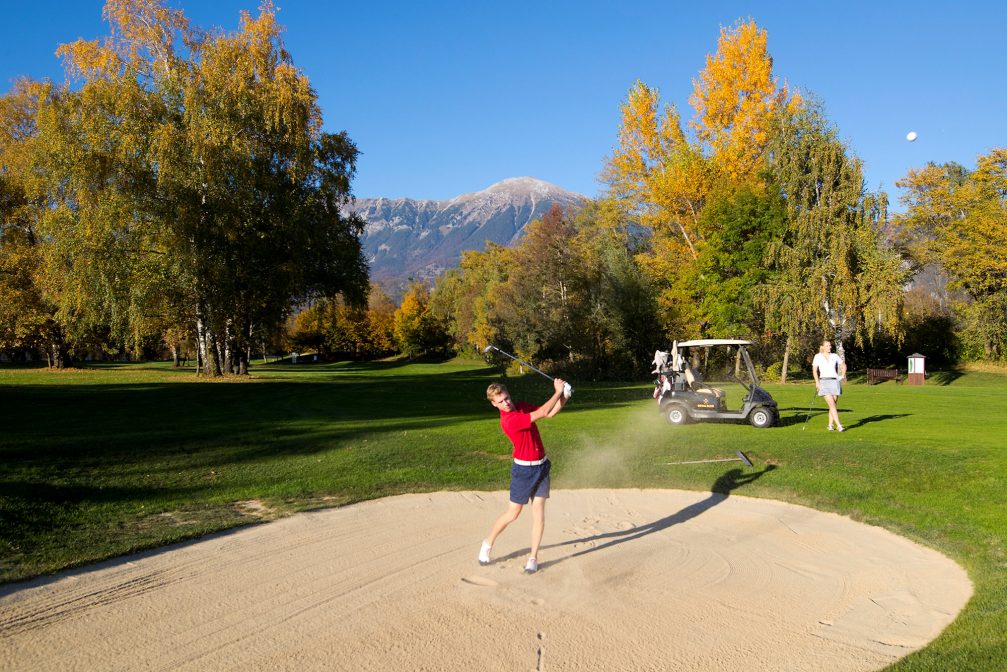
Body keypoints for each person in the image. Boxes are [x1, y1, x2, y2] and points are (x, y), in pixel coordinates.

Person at [479, 377, 568, 573]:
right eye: (501, 401)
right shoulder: (509, 420)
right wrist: (557, 392)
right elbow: (544, 411)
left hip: (542, 467)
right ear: (494, 404)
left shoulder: (521, 408)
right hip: (523, 471)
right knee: (513, 513)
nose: (506, 403)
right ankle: (487, 543)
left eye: (507, 398)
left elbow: (550, 414)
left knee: (539, 513)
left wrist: (565, 396)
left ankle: (533, 557)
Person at [812, 339, 847, 431]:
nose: (829, 347)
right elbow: (815, 371)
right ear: (822, 347)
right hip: (824, 382)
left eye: (830, 345)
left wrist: (842, 375)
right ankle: (839, 425)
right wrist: (817, 382)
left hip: (835, 382)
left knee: (833, 405)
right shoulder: (817, 356)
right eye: (827, 346)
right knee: (832, 404)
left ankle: (830, 425)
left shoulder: (834, 356)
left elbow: (843, 365)